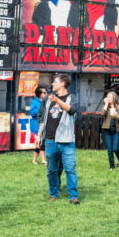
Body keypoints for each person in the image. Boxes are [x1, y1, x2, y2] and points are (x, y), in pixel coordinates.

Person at [39, 73, 80, 204]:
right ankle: (54, 193)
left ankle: (73, 196)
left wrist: (57, 101)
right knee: (51, 170)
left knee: (70, 169)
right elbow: (42, 117)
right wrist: (39, 135)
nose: (53, 84)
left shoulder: (71, 98)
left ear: (62, 83)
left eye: (55, 82)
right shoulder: (47, 98)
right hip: (50, 140)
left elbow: (72, 110)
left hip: (66, 141)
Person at [99, 91, 119, 170]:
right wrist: (106, 104)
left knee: (115, 148)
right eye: (108, 97)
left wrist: (117, 116)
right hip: (107, 130)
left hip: (116, 130)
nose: (109, 98)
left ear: (114, 98)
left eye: (110, 97)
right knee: (109, 149)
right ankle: (112, 166)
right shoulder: (105, 107)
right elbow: (102, 114)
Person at [29, 86, 47, 165]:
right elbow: (32, 112)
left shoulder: (46, 101)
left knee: (39, 142)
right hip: (36, 124)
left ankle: (34, 160)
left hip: (43, 123)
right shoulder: (35, 102)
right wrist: (41, 109)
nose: (45, 94)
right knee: (41, 142)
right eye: (44, 92)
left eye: (46, 92)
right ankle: (43, 160)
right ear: (39, 94)